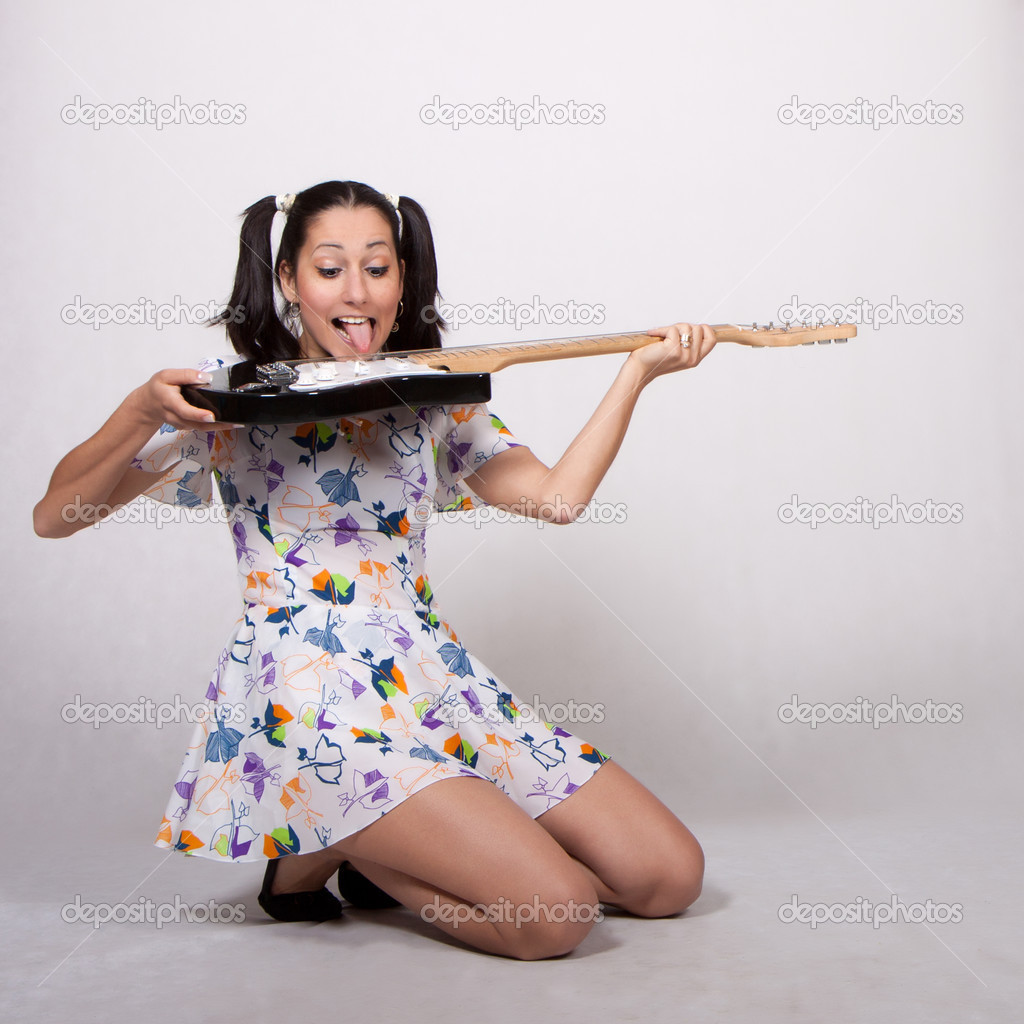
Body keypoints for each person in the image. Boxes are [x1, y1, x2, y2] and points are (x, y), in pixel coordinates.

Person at [33, 179, 716, 961]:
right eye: (330, 270)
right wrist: (140, 410)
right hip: (307, 695)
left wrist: (637, 372)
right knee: (555, 917)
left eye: (378, 268)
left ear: (403, 279)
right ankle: (343, 847)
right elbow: (54, 517)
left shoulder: (434, 397)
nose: (356, 293)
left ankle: (354, 842)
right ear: (289, 280)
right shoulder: (234, 399)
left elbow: (556, 501)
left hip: (429, 674)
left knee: (667, 878)